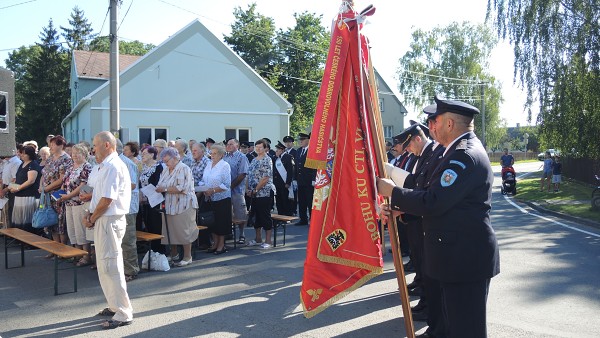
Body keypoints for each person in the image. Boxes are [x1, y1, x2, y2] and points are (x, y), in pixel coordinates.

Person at [378, 96, 500, 338]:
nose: (431, 127)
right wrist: (403, 208)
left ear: (450, 124)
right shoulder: (453, 152)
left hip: (464, 259)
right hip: (456, 256)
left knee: (466, 330)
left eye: (435, 121)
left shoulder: (463, 156)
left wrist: (393, 192)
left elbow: (433, 201)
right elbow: (438, 198)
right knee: (454, 327)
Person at [82, 131, 133, 330]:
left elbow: (107, 200)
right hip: (103, 219)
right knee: (104, 266)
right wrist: (90, 213)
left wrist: (92, 218)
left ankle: (123, 312)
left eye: (95, 145)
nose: (92, 149)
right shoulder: (105, 166)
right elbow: (98, 196)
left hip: (109, 220)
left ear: (106, 145)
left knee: (111, 266)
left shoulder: (113, 166)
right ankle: (114, 305)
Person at [156, 147, 199, 266]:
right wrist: (162, 188)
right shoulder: (166, 169)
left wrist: (164, 188)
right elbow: (160, 184)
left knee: (184, 230)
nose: (166, 163)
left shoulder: (184, 168)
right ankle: (174, 254)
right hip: (169, 204)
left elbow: (182, 188)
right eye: (164, 161)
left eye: (167, 161)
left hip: (183, 204)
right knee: (170, 230)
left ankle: (187, 256)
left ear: (175, 158)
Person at [59, 144, 92, 266]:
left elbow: (82, 185)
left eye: (77, 153)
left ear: (84, 154)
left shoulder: (87, 167)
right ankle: (77, 253)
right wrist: (61, 194)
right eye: (73, 153)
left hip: (79, 202)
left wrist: (68, 196)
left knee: (80, 229)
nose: (74, 155)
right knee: (72, 229)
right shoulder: (71, 167)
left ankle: (86, 256)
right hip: (68, 202)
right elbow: (65, 182)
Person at [40, 135, 73, 249]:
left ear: (61, 145)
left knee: (59, 223)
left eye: (53, 144)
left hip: (57, 195)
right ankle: (55, 249)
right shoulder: (50, 158)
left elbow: (62, 179)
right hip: (47, 194)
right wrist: (42, 187)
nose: (50, 146)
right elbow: (44, 174)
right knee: (51, 222)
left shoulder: (66, 159)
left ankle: (62, 249)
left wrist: (47, 188)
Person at [198, 143, 231, 254]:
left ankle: (221, 245)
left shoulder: (225, 165)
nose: (212, 155)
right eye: (211, 153)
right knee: (212, 222)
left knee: (221, 222)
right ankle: (215, 243)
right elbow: (203, 179)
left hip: (221, 198)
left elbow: (226, 184)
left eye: (215, 153)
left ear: (221, 155)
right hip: (209, 198)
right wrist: (203, 188)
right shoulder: (208, 164)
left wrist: (212, 190)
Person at [117, 140, 140, 281]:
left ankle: (131, 270)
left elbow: (132, 184)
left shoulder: (127, 163)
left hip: (128, 207)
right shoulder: (112, 162)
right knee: (119, 240)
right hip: (117, 206)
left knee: (127, 240)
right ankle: (121, 269)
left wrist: (113, 190)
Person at [246, 139, 274, 249]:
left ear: (266, 148)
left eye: (260, 147)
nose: (258, 149)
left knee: (264, 216)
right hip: (253, 193)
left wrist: (256, 189)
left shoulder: (267, 160)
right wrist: (248, 189)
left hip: (264, 192)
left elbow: (265, 178)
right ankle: (258, 238)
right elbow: (248, 175)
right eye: (256, 147)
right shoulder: (253, 160)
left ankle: (268, 240)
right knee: (255, 216)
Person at [9, 145, 41, 234]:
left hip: (29, 196)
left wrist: (18, 188)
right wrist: (12, 187)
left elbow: (30, 181)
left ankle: (30, 240)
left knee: (27, 219)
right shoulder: (22, 164)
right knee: (20, 219)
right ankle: (20, 238)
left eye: (24, 153)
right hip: (20, 195)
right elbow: (18, 178)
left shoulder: (33, 164)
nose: (21, 155)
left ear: (29, 154)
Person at [139, 146, 165, 254]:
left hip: (155, 200)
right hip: (145, 201)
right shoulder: (144, 167)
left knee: (156, 225)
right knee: (148, 224)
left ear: (151, 154)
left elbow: (158, 183)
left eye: (145, 153)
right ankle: (152, 251)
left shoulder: (158, 167)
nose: (142, 156)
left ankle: (159, 251)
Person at [223, 138, 249, 244]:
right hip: (225, 191)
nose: (228, 146)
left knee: (240, 213)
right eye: (227, 144)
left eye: (230, 144)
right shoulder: (224, 157)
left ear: (237, 146)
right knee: (227, 213)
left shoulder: (241, 157)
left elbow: (242, 174)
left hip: (237, 190)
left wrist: (231, 186)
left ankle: (242, 234)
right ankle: (229, 233)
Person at [295, 133, 316, 226]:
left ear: (308, 140)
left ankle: (312, 220)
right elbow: (296, 166)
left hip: (309, 180)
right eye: (300, 139)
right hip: (300, 180)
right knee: (302, 201)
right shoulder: (298, 151)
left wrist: (314, 179)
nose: (301, 141)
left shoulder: (312, 150)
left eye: (303, 139)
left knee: (310, 201)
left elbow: (315, 166)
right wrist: (294, 179)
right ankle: (303, 219)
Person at [273, 141, 295, 216]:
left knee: (285, 200)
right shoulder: (275, 158)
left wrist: (288, 182)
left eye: (278, 150)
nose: (276, 151)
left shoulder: (288, 157)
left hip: (284, 183)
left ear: (282, 150)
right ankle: (280, 215)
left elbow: (290, 171)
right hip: (277, 183)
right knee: (278, 200)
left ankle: (287, 215)